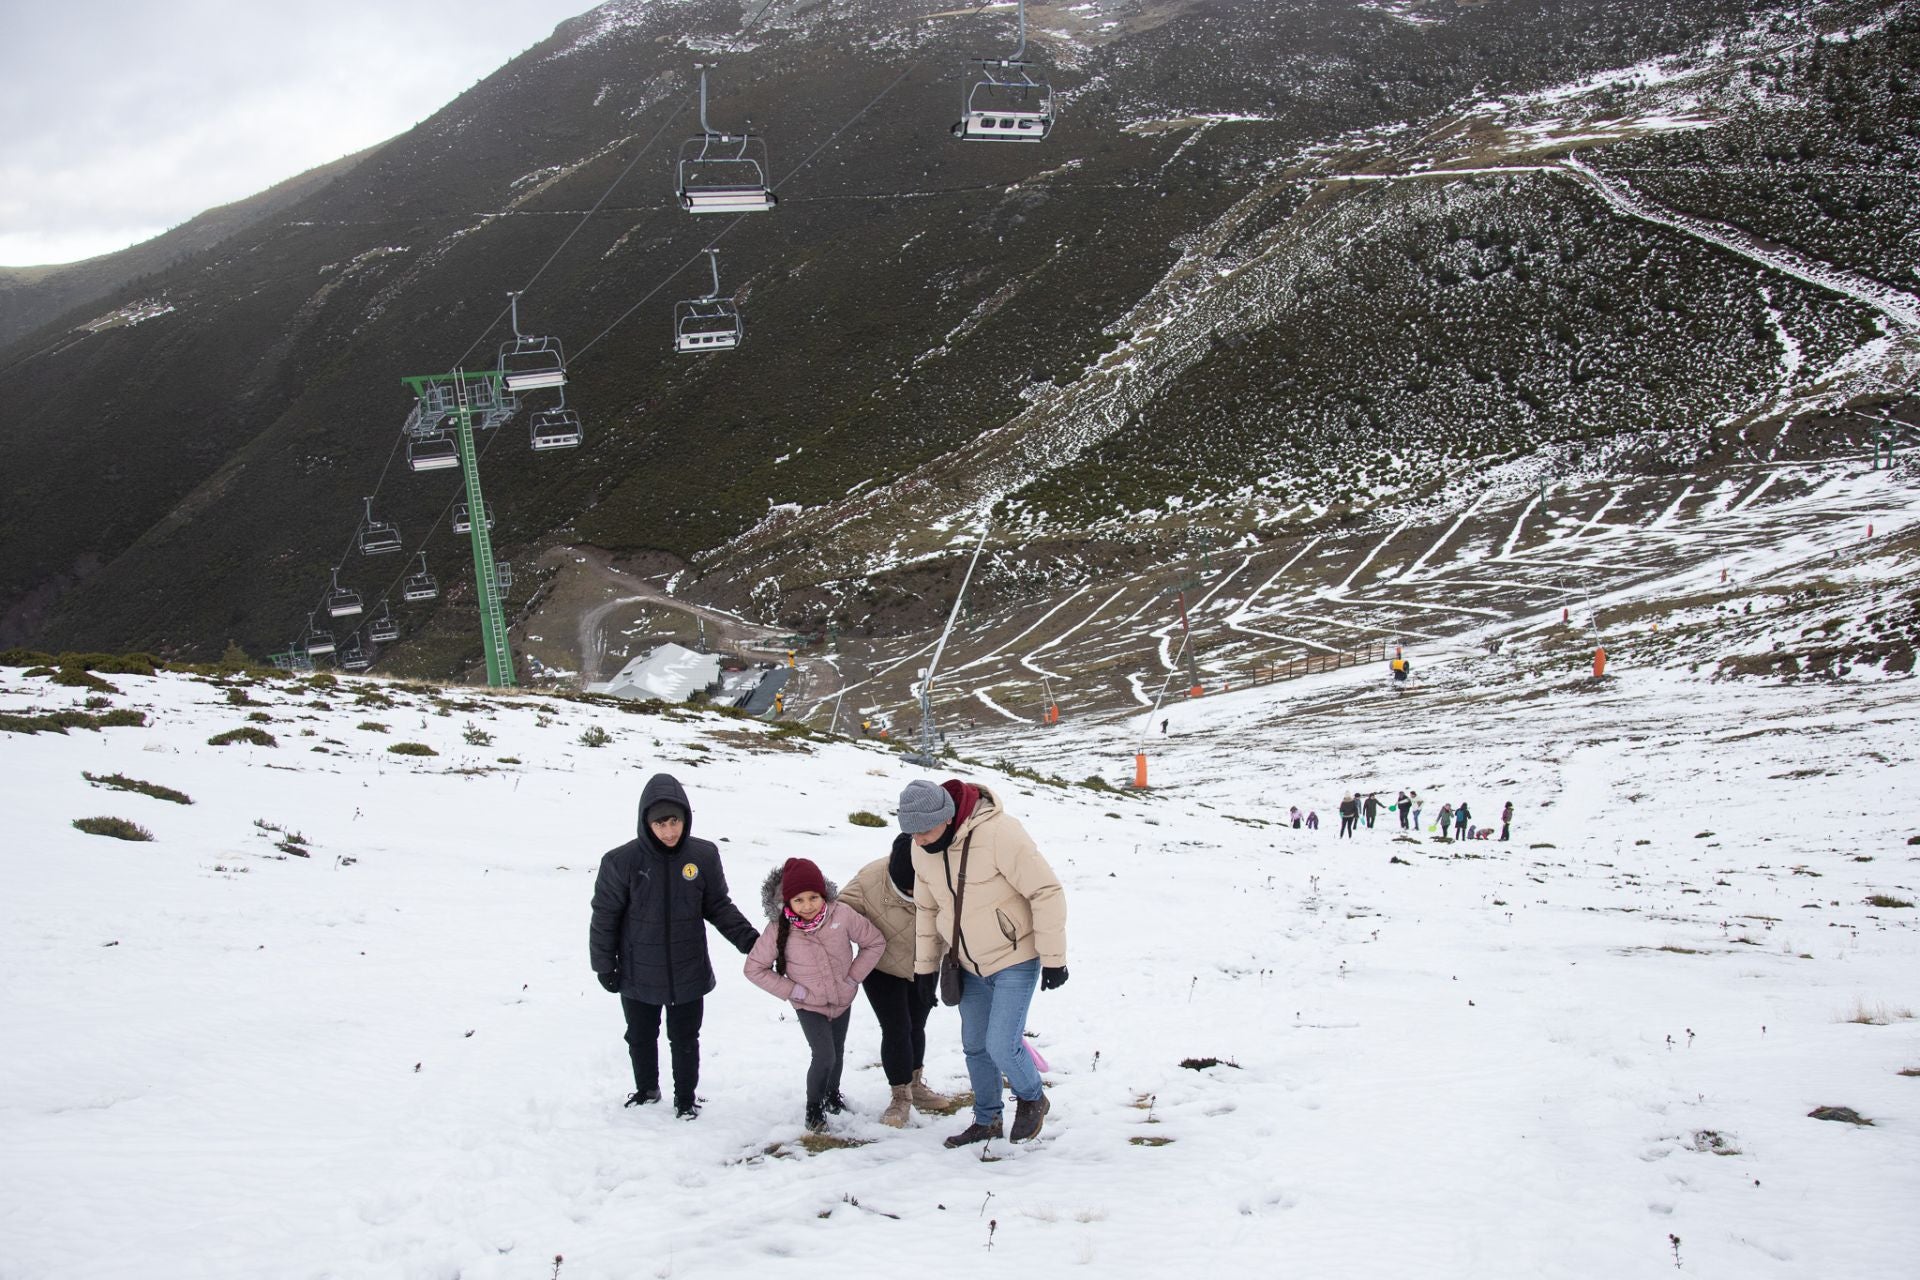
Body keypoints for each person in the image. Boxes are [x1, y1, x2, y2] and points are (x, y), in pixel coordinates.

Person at [899, 778, 1066, 1148]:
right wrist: (924, 969)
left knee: (1002, 1045)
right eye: (912, 833)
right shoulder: (920, 849)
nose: (920, 840)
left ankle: (1033, 1097)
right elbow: (927, 909)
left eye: (925, 831)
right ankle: (987, 1120)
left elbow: (1046, 890)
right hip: (966, 963)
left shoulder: (999, 833)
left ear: (946, 816)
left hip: (1014, 956)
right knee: (975, 1046)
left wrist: (1054, 958)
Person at [590, 773, 759, 1119]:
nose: (669, 831)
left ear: (685, 818)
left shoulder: (703, 855)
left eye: (675, 822)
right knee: (640, 1035)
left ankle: (685, 1099)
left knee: (684, 1039)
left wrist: (751, 942)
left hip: (688, 967)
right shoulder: (621, 862)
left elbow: (718, 906)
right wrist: (604, 965)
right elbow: (604, 916)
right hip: (638, 968)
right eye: (660, 824)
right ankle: (647, 1089)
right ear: (645, 823)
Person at [744, 857, 885, 1133]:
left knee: (838, 1052)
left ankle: (832, 1096)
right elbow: (754, 968)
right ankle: (813, 1108)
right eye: (799, 900)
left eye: (813, 898)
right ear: (787, 902)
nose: (807, 906)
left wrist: (853, 977)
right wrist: (792, 990)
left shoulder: (841, 915)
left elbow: (874, 942)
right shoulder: (778, 929)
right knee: (824, 1055)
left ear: (824, 895)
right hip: (809, 1005)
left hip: (842, 999)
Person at [837, 835, 957, 1127]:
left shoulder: (942, 876)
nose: (913, 893)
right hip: (882, 967)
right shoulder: (869, 880)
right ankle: (900, 1096)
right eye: (906, 889)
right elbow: (836, 917)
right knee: (896, 1027)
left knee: (917, 1025)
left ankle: (916, 1084)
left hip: (925, 966)